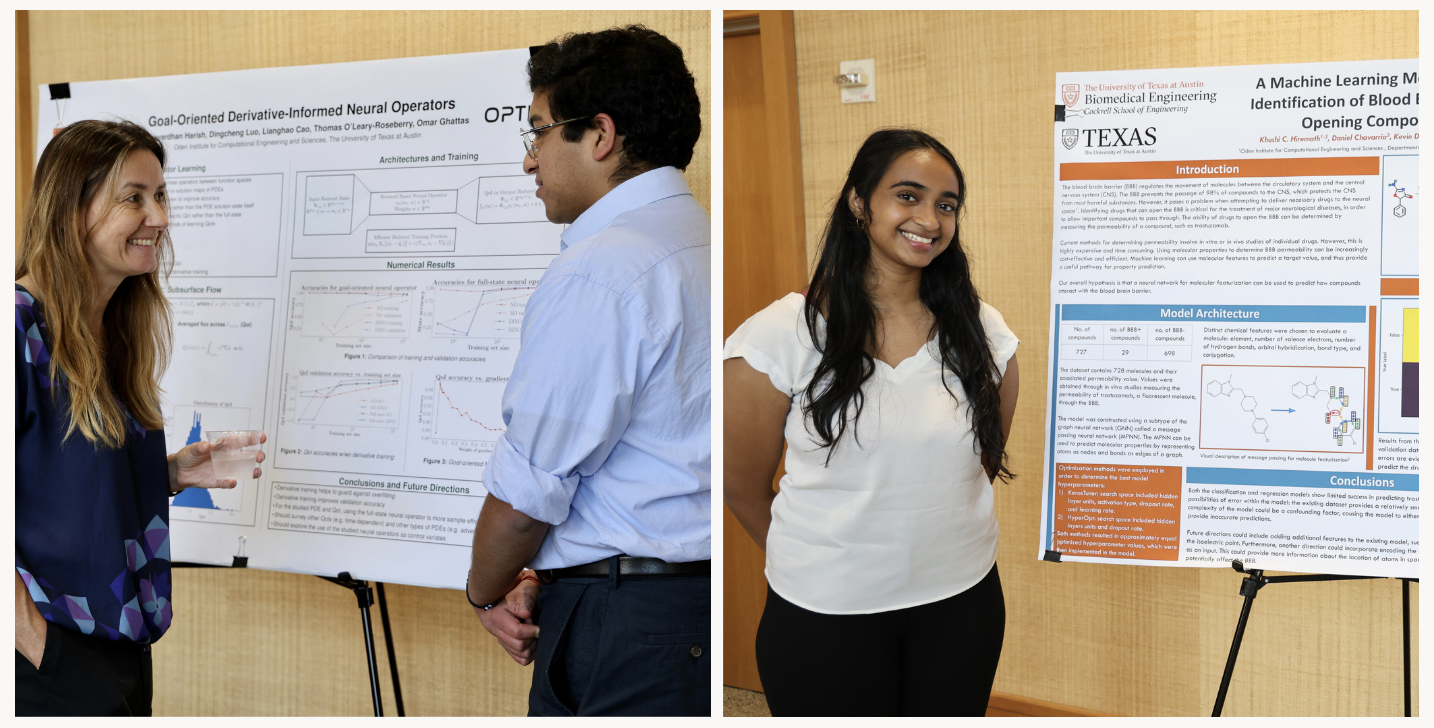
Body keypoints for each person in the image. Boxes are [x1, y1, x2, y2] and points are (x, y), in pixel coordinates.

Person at [723, 129, 1020, 717]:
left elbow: (979, 463)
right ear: (860, 203)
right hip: (824, 610)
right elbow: (741, 486)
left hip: (961, 601)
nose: (929, 219)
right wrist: (831, 554)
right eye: (907, 196)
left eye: (946, 204)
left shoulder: (983, 330)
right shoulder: (779, 335)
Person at [463, 26, 711, 716]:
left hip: (626, 624)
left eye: (537, 133)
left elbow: (526, 496)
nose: (527, 160)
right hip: (687, 606)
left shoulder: (603, 268)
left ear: (600, 136)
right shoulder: (701, 240)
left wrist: (484, 590)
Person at [15, 120, 264, 716]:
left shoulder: (110, 330)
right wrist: (35, 643)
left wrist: (170, 472)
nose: (160, 217)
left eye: (160, 195)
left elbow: (66, 480)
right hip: (45, 656)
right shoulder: (19, 329)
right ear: (73, 208)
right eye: (134, 197)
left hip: (119, 649)